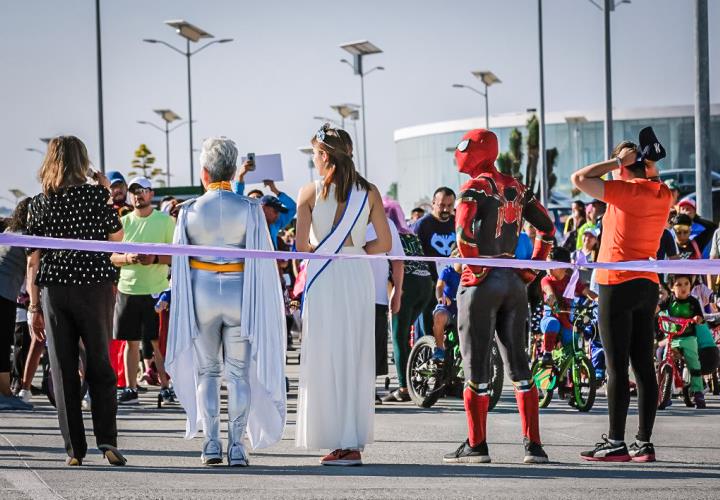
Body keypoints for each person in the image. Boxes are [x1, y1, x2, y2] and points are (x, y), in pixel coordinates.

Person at [167, 137, 287, 467]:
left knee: (207, 372)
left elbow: (179, 266)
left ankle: (210, 444)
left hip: (202, 293)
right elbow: (262, 261)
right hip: (240, 294)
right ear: (234, 170)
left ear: (204, 171)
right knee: (238, 374)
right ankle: (236, 446)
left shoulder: (190, 210)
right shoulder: (249, 209)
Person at [445, 128, 555, 465]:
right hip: (513, 283)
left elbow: (463, 231)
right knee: (519, 365)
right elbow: (548, 229)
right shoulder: (519, 188)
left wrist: (475, 271)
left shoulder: (474, 187)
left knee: (476, 369)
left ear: (476, 151)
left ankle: (477, 445)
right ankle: (533, 446)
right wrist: (532, 270)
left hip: (481, 283)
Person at [571, 127, 672, 463]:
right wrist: (640, 162)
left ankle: (615, 442)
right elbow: (651, 174)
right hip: (647, 283)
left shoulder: (624, 192)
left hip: (616, 283)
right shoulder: (663, 194)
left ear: (627, 166)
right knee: (644, 365)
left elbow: (579, 178)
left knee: (616, 368)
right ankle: (644, 443)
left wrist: (617, 160)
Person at [25, 135, 126, 466]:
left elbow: (32, 258)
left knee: (63, 368)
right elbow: (117, 238)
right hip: (94, 287)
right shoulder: (96, 195)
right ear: (83, 160)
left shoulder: (41, 202)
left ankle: (74, 450)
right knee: (100, 363)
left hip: (55, 289)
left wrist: (33, 306)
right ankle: (107, 438)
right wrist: (105, 191)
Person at [295, 123, 391, 466]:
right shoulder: (370, 191)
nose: (314, 162)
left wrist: (326, 248)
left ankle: (338, 439)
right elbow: (386, 243)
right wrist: (355, 250)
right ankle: (350, 441)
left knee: (326, 354)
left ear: (324, 156)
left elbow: (301, 248)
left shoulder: (308, 193)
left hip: (324, 276)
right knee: (354, 355)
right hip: (356, 273)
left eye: (314, 155)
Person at [109, 177, 176, 405]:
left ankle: (166, 387)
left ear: (151, 194)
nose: (138, 195)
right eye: (134, 191)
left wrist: (154, 258)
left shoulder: (166, 222)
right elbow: (112, 256)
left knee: (157, 342)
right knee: (130, 342)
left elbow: (177, 255)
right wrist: (129, 257)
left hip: (155, 291)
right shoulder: (123, 222)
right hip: (127, 289)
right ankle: (130, 388)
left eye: (143, 191)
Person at [382, 202, 432, 403]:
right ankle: (413, 378)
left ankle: (404, 387)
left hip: (407, 285)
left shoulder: (388, 235)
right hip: (426, 284)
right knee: (406, 335)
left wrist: (393, 295)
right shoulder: (411, 233)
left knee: (398, 338)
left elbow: (393, 268)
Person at [367, 200, 405, 404]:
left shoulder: (386, 225)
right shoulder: (341, 221)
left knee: (374, 347)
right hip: (347, 295)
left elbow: (398, 260)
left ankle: (368, 390)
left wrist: (397, 293)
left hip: (377, 297)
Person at [0, 199, 33, 411]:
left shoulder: (9, 234)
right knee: (3, 345)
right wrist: (36, 303)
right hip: (3, 296)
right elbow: (32, 271)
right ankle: (4, 395)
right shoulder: (28, 239)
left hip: (4, 293)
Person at [539, 247, 596, 368]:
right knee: (553, 323)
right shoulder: (546, 280)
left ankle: (571, 378)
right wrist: (551, 298)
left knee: (574, 344)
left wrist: (600, 300)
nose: (548, 268)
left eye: (551, 264)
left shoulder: (571, 281)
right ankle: (547, 354)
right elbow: (549, 292)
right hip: (552, 317)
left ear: (564, 266)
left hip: (567, 320)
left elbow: (587, 292)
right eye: (547, 264)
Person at [657, 274, 706, 409]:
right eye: (679, 285)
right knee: (666, 358)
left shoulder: (693, 301)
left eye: (686, 284)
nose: (683, 287)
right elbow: (658, 308)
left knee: (694, 362)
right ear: (672, 288)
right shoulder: (669, 300)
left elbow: (700, 317)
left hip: (688, 337)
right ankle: (666, 392)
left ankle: (698, 391)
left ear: (690, 286)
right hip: (673, 338)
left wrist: (697, 318)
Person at [414, 187, 456, 336]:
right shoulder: (422, 225)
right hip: (429, 285)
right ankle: (425, 357)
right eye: (441, 205)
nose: (445, 209)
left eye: (450, 206)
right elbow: (415, 256)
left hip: (452, 285)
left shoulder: (457, 223)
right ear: (433, 203)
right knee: (427, 330)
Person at [431, 247, 461, 362]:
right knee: (439, 316)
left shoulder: (470, 272)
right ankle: (439, 349)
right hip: (447, 306)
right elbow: (439, 286)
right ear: (454, 258)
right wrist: (441, 297)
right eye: (461, 258)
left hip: (462, 308)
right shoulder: (448, 271)